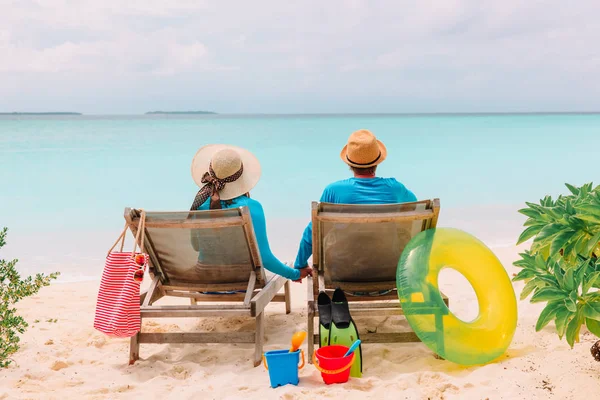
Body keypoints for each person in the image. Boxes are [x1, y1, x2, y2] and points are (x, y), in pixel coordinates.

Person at [294, 129, 417, 271]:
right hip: (390, 270)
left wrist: (300, 265)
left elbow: (312, 232)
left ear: (349, 163)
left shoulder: (334, 191)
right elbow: (414, 207)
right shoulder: (396, 189)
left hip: (343, 273)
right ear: (377, 162)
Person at [190, 144, 312, 282]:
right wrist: (294, 274)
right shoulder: (251, 208)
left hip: (204, 280)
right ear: (241, 176)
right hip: (242, 282)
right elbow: (265, 258)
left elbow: (195, 246)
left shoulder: (198, 205)